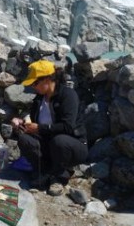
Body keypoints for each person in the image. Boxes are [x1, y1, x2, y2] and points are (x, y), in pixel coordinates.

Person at [13, 59, 88, 195]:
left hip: (73, 144)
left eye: (35, 83)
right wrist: (22, 125)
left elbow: (68, 127)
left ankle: (60, 177)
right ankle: (43, 171)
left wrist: (39, 128)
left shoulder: (68, 95)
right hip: (49, 143)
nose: (34, 87)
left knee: (59, 141)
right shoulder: (39, 99)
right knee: (24, 138)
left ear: (47, 79)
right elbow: (36, 125)